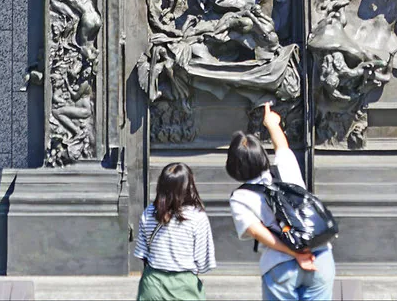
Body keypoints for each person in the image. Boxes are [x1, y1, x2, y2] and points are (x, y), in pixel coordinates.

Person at [227, 102, 336, 300]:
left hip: (281, 265)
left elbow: (259, 232)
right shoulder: (284, 171)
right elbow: (282, 147)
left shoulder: (240, 197)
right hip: (320, 257)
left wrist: (296, 254)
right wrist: (272, 124)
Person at [134, 161, 216, 301]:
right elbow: (203, 262)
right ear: (189, 186)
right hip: (184, 287)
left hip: (152, 285)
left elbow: (142, 253)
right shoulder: (197, 217)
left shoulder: (149, 213)